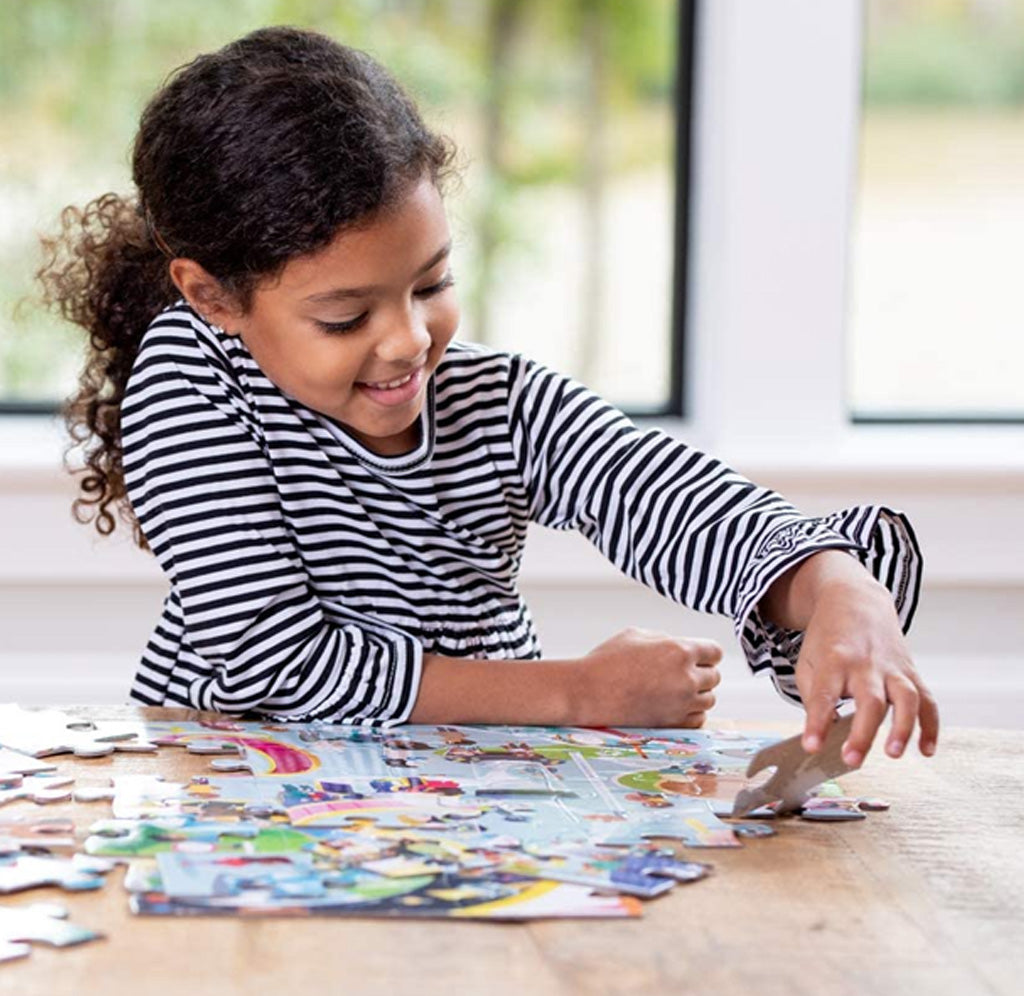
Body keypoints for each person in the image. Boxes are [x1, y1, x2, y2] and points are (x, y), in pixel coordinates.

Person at [37, 26, 938, 769]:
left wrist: (835, 585)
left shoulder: (493, 402)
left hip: (471, 788)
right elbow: (273, 657)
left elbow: (684, 506)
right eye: (346, 317)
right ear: (213, 298)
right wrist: (576, 692)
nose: (407, 340)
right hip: (232, 779)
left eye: (430, 286)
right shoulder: (190, 381)